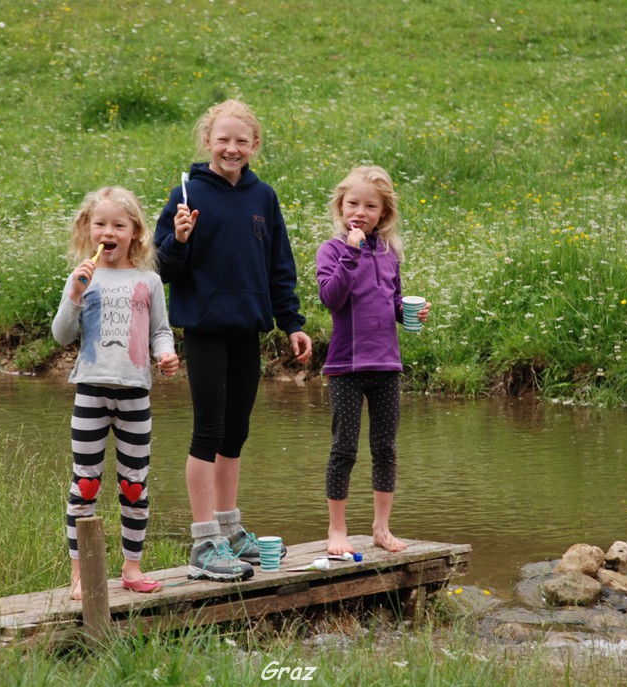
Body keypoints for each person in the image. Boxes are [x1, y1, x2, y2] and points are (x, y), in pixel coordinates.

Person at [154, 99, 313, 582]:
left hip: (248, 327)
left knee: (235, 432)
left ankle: (230, 528)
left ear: (255, 145)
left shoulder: (263, 197)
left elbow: (279, 265)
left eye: (241, 141)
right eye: (222, 139)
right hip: (204, 328)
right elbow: (160, 268)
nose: (231, 148)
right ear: (208, 141)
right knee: (208, 431)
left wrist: (292, 322)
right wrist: (179, 239)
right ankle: (204, 541)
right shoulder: (186, 194)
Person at [52, 185, 179, 598]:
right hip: (90, 391)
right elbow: (61, 335)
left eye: (119, 225)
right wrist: (75, 294)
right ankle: (80, 574)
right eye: (100, 224)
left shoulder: (149, 281)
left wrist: (165, 354)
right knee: (85, 484)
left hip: (135, 394)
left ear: (135, 232)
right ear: (87, 230)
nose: (108, 232)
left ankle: (132, 568)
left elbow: (160, 331)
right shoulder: (81, 278)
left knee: (134, 486)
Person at [315, 166, 431, 557]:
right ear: (340, 207)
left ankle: (381, 528)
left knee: (385, 449)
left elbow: (391, 301)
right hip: (346, 367)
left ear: (384, 213)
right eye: (353, 204)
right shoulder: (332, 250)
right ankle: (337, 529)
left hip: (386, 366)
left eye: (370, 206)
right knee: (344, 448)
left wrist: (410, 312)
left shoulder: (389, 253)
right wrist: (351, 252)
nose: (360, 212)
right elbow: (331, 298)